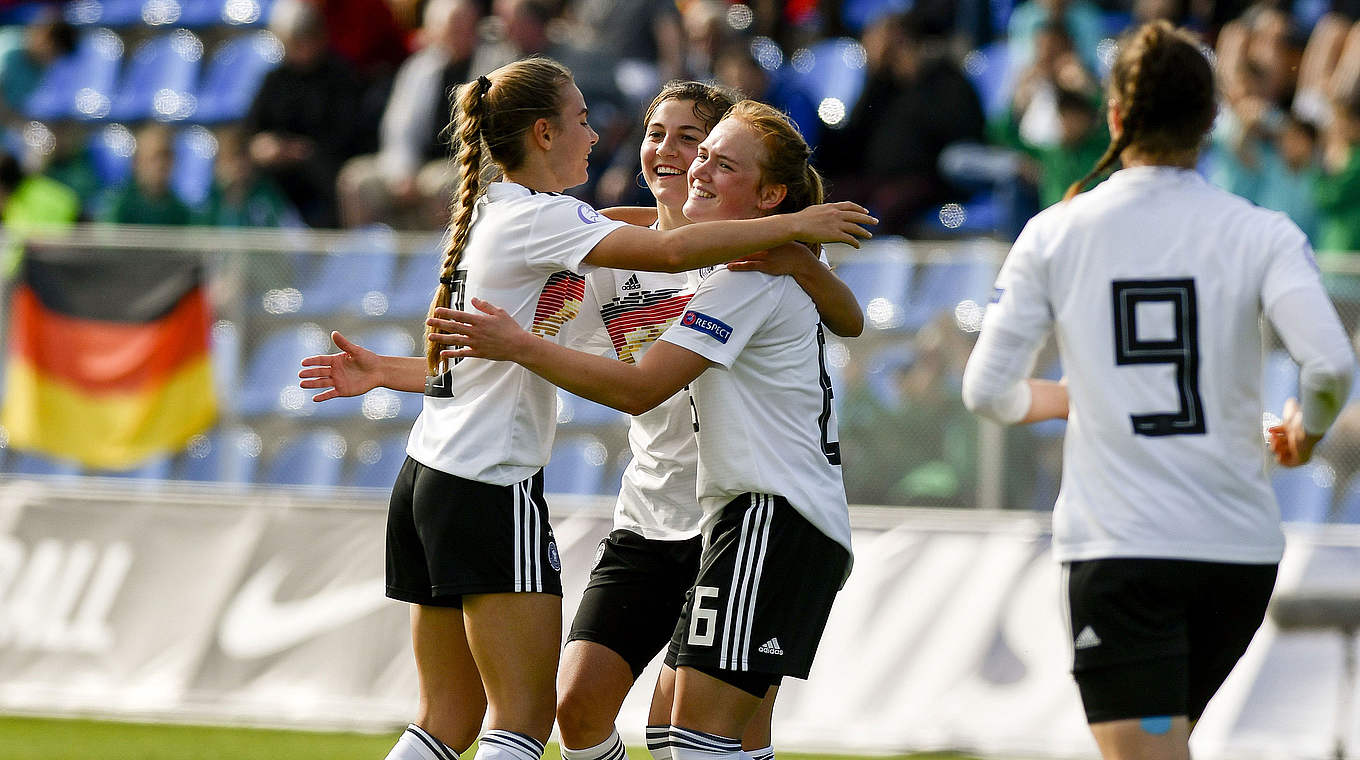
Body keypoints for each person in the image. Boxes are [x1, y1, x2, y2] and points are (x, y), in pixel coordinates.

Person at [298, 58, 873, 760]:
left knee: (704, 734)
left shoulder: (751, 259)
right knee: (575, 709)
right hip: (657, 515)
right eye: (656, 133)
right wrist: (394, 371)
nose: (668, 152)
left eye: (695, 141)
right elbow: (511, 344)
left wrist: (804, 254)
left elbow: (846, 319)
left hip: (751, 512)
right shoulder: (596, 248)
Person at [959, 21, 1355, 760]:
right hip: (1235, 558)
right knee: (1163, 744)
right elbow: (1330, 365)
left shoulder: (1055, 233)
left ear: (1115, 116)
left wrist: (1068, 398)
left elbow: (987, 390)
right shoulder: (1260, 230)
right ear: (1210, 121)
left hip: (1124, 554)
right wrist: (1306, 429)